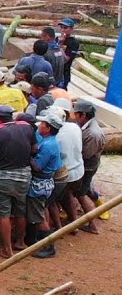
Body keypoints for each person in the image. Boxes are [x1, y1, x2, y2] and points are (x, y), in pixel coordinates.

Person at [0, 104, 36, 257]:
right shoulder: (26, 127)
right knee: (20, 210)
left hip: (3, 177)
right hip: (24, 175)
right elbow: (34, 149)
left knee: (3, 213)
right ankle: (20, 241)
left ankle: (7, 249)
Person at [26, 108, 64, 256]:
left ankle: (48, 247)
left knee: (39, 216)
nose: (39, 125)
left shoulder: (48, 146)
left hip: (39, 184)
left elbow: (37, 167)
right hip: (45, 183)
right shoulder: (50, 141)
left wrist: (26, 153)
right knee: (41, 211)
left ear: (48, 128)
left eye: (42, 123)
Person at [70, 100, 107, 233]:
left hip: (87, 167)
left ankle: (92, 225)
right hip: (87, 165)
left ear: (83, 115)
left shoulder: (93, 134)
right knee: (82, 192)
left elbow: (86, 155)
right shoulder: (87, 127)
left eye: (76, 114)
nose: (74, 117)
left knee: (81, 194)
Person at [57, 18, 81, 87]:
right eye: (61, 27)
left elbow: (66, 60)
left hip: (64, 72)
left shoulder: (74, 43)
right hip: (55, 72)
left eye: (65, 28)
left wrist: (60, 46)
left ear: (71, 29)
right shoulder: (57, 39)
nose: (62, 30)